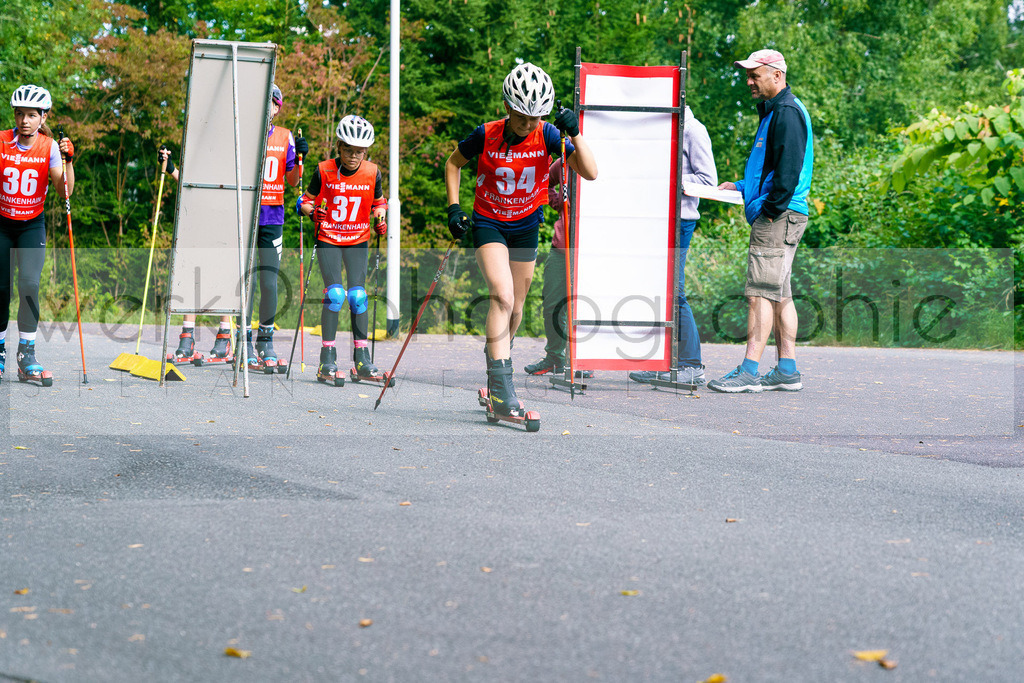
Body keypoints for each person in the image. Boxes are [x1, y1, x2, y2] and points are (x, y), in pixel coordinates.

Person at [444, 63, 598, 418]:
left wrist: (575, 134)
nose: (528, 125)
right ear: (507, 107)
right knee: (502, 295)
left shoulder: (547, 135)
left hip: (526, 224)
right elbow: (454, 165)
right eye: (521, 117)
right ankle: (502, 389)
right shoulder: (486, 134)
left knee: (516, 308)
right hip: (489, 222)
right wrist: (454, 209)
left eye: (535, 117)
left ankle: (497, 366)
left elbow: (590, 172)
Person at [165, 84, 308, 367]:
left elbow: (293, 181)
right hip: (241, 215)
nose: (264, 107)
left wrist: (300, 158)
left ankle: (265, 340)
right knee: (243, 282)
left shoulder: (284, 136)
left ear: (277, 108)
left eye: (270, 102)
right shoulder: (238, 134)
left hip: (272, 218)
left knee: (269, 282)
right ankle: (240, 340)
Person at [709, 49, 813, 393]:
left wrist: (767, 210)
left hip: (779, 216)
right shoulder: (774, 112)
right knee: (780, 294)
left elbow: (788, 173)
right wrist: (739, 187)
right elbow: (770, 169)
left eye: (755, 75)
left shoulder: (786, 112)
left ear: (777, 76)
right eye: (748, 75)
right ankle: (787, 369)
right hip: (783, 213)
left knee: (759, 293)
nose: (749, 82)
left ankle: (749, 370)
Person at [626, 105, 717, 386]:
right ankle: (662, 363)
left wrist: (665, 175)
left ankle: (691, 365)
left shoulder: (693, 130)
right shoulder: (665, 129)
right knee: (657, 293)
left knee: (675, 292)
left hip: (680, 221)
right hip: (658, 221)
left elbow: (708, 181)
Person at [299, 114, 388, 383]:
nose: (353, 156)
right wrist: (312, 212)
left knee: (358, 297)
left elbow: (379, 203)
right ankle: (327, 359)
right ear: (339, 146)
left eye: (359, 151)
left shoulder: (373, 172)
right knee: (336, 294)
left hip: (357, 239)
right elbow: (303, 201)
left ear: (366, 151)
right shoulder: (324, 169)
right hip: (329, 238)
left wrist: (380, 217)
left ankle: (362, 360)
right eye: (348, 150)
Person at [0, 85, 75, 383]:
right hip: (2, 224)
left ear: (44, 117)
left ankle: (26, 356)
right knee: (0, 289)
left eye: (32, 115)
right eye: (20, 114)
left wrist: (69, 161)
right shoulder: (2, 141)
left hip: (32, 225)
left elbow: (63, 189)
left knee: (29, 285)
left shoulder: (50, 147)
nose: (25, 121)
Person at [522, 158, 593, 379]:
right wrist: (559, 204)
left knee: (583, 306)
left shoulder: (598, 160)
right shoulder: (564, 162)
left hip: (591, 249)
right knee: (552, 304)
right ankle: (555, 357)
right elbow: (544, 182)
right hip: (561, 246)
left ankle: (583, 359)